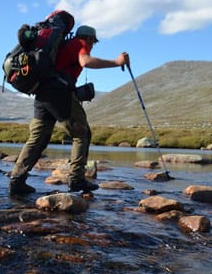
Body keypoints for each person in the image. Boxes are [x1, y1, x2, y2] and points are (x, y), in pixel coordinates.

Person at [9, 24, 130, 195]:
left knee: (38, 138)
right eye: (93, 42)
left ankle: (17, 180)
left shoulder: (61, 47)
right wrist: (117, 62)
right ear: (89, 38)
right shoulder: (80, 43)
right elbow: (85, 61)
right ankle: (76, 179)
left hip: (42, 93)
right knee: (82, 134)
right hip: (59, 93)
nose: (92, 45)